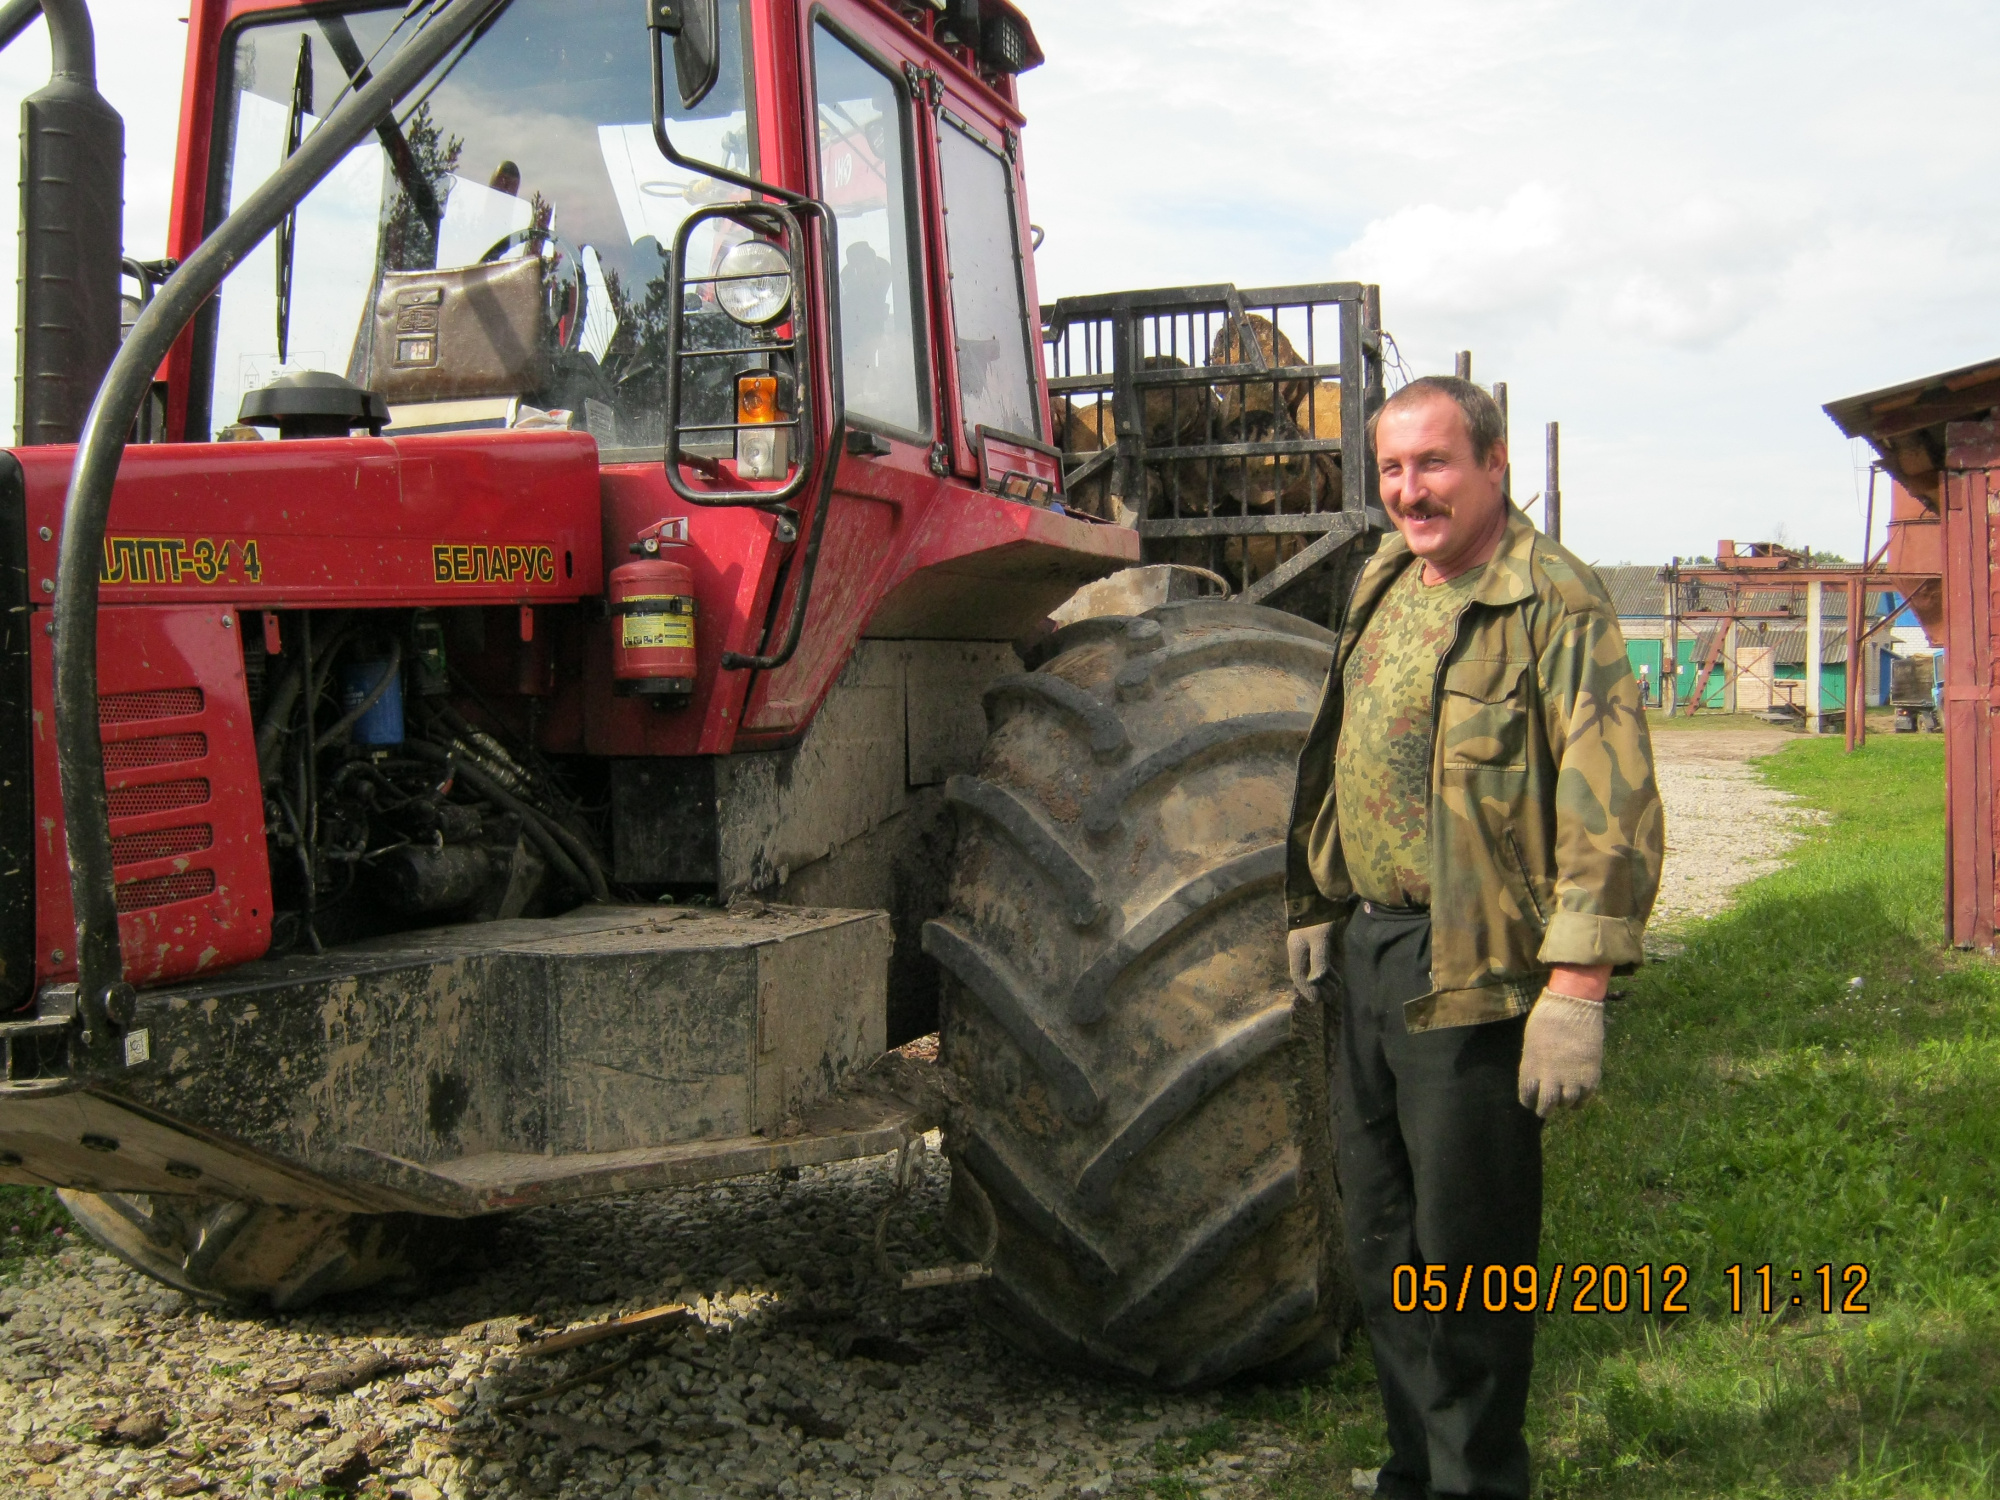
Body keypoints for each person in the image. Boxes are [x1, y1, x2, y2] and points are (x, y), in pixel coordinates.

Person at [1285, 376, 1663, 1500]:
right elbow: (1346, 751)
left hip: (1477, 971)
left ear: (1494, 464)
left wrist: (1577, 989)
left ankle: (1477, 1482)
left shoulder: (1553, 600)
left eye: (1435, 463)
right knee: (1385, 1247)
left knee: (1467, 1265)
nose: (1411, 491)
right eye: (1393, 469)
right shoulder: (1385, 579)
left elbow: (1610, 802)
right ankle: (1417, 1471)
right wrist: (1319, 900)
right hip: (1372, 954)